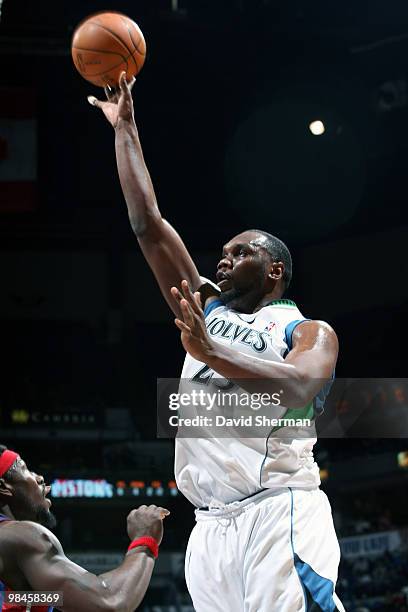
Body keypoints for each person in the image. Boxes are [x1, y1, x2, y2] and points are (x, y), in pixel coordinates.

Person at [89, 72, 345, 612]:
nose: (223, 259)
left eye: (241, 252)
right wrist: (125, 131)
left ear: (274, 268)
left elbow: (301, 388)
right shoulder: (207, 309)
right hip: (209, 529)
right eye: (223, 253)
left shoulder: (307, 331)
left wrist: (210, 353)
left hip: (279, 511)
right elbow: (148, 225)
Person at [0, 445, 169, 611]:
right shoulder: (23, 537)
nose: (39, 478)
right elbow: (109, 602)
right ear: (3, 487)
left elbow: (45, 598)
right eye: (25, 469)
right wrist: (145, 541)